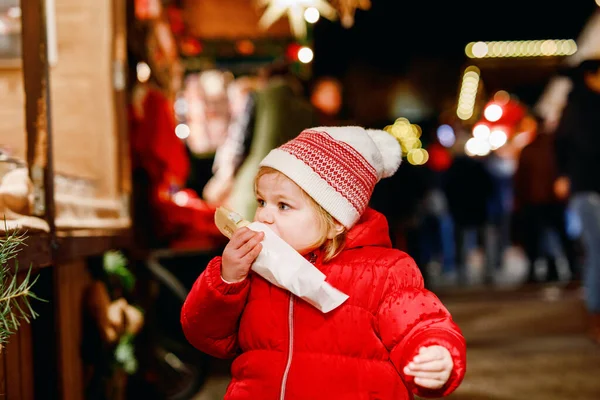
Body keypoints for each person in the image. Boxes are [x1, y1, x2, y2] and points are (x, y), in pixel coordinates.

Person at [181, 126, 467, 399]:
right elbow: (206, 334)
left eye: (283, 205)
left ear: (335, 220)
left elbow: (420, 323)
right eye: (261, 201)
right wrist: (227, 279)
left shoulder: (386, 271)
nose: (264, 216)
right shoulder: (254, 268)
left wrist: (435, 354)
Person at [553, 58, 600, 344]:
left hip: (586, 188)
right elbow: (577, 146)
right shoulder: (584, 107)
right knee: (597, 251)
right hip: (589, 188)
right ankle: (595, 311)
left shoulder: (576, 106)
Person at [514, 113, 579, 284]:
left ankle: (540, 270)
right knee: (560, 236)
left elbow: (521, 179)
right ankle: (569, 269)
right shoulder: (554, 147)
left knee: (537, 238)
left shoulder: (531, 149)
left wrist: (520, 200)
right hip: (551, 200)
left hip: (537, 200)